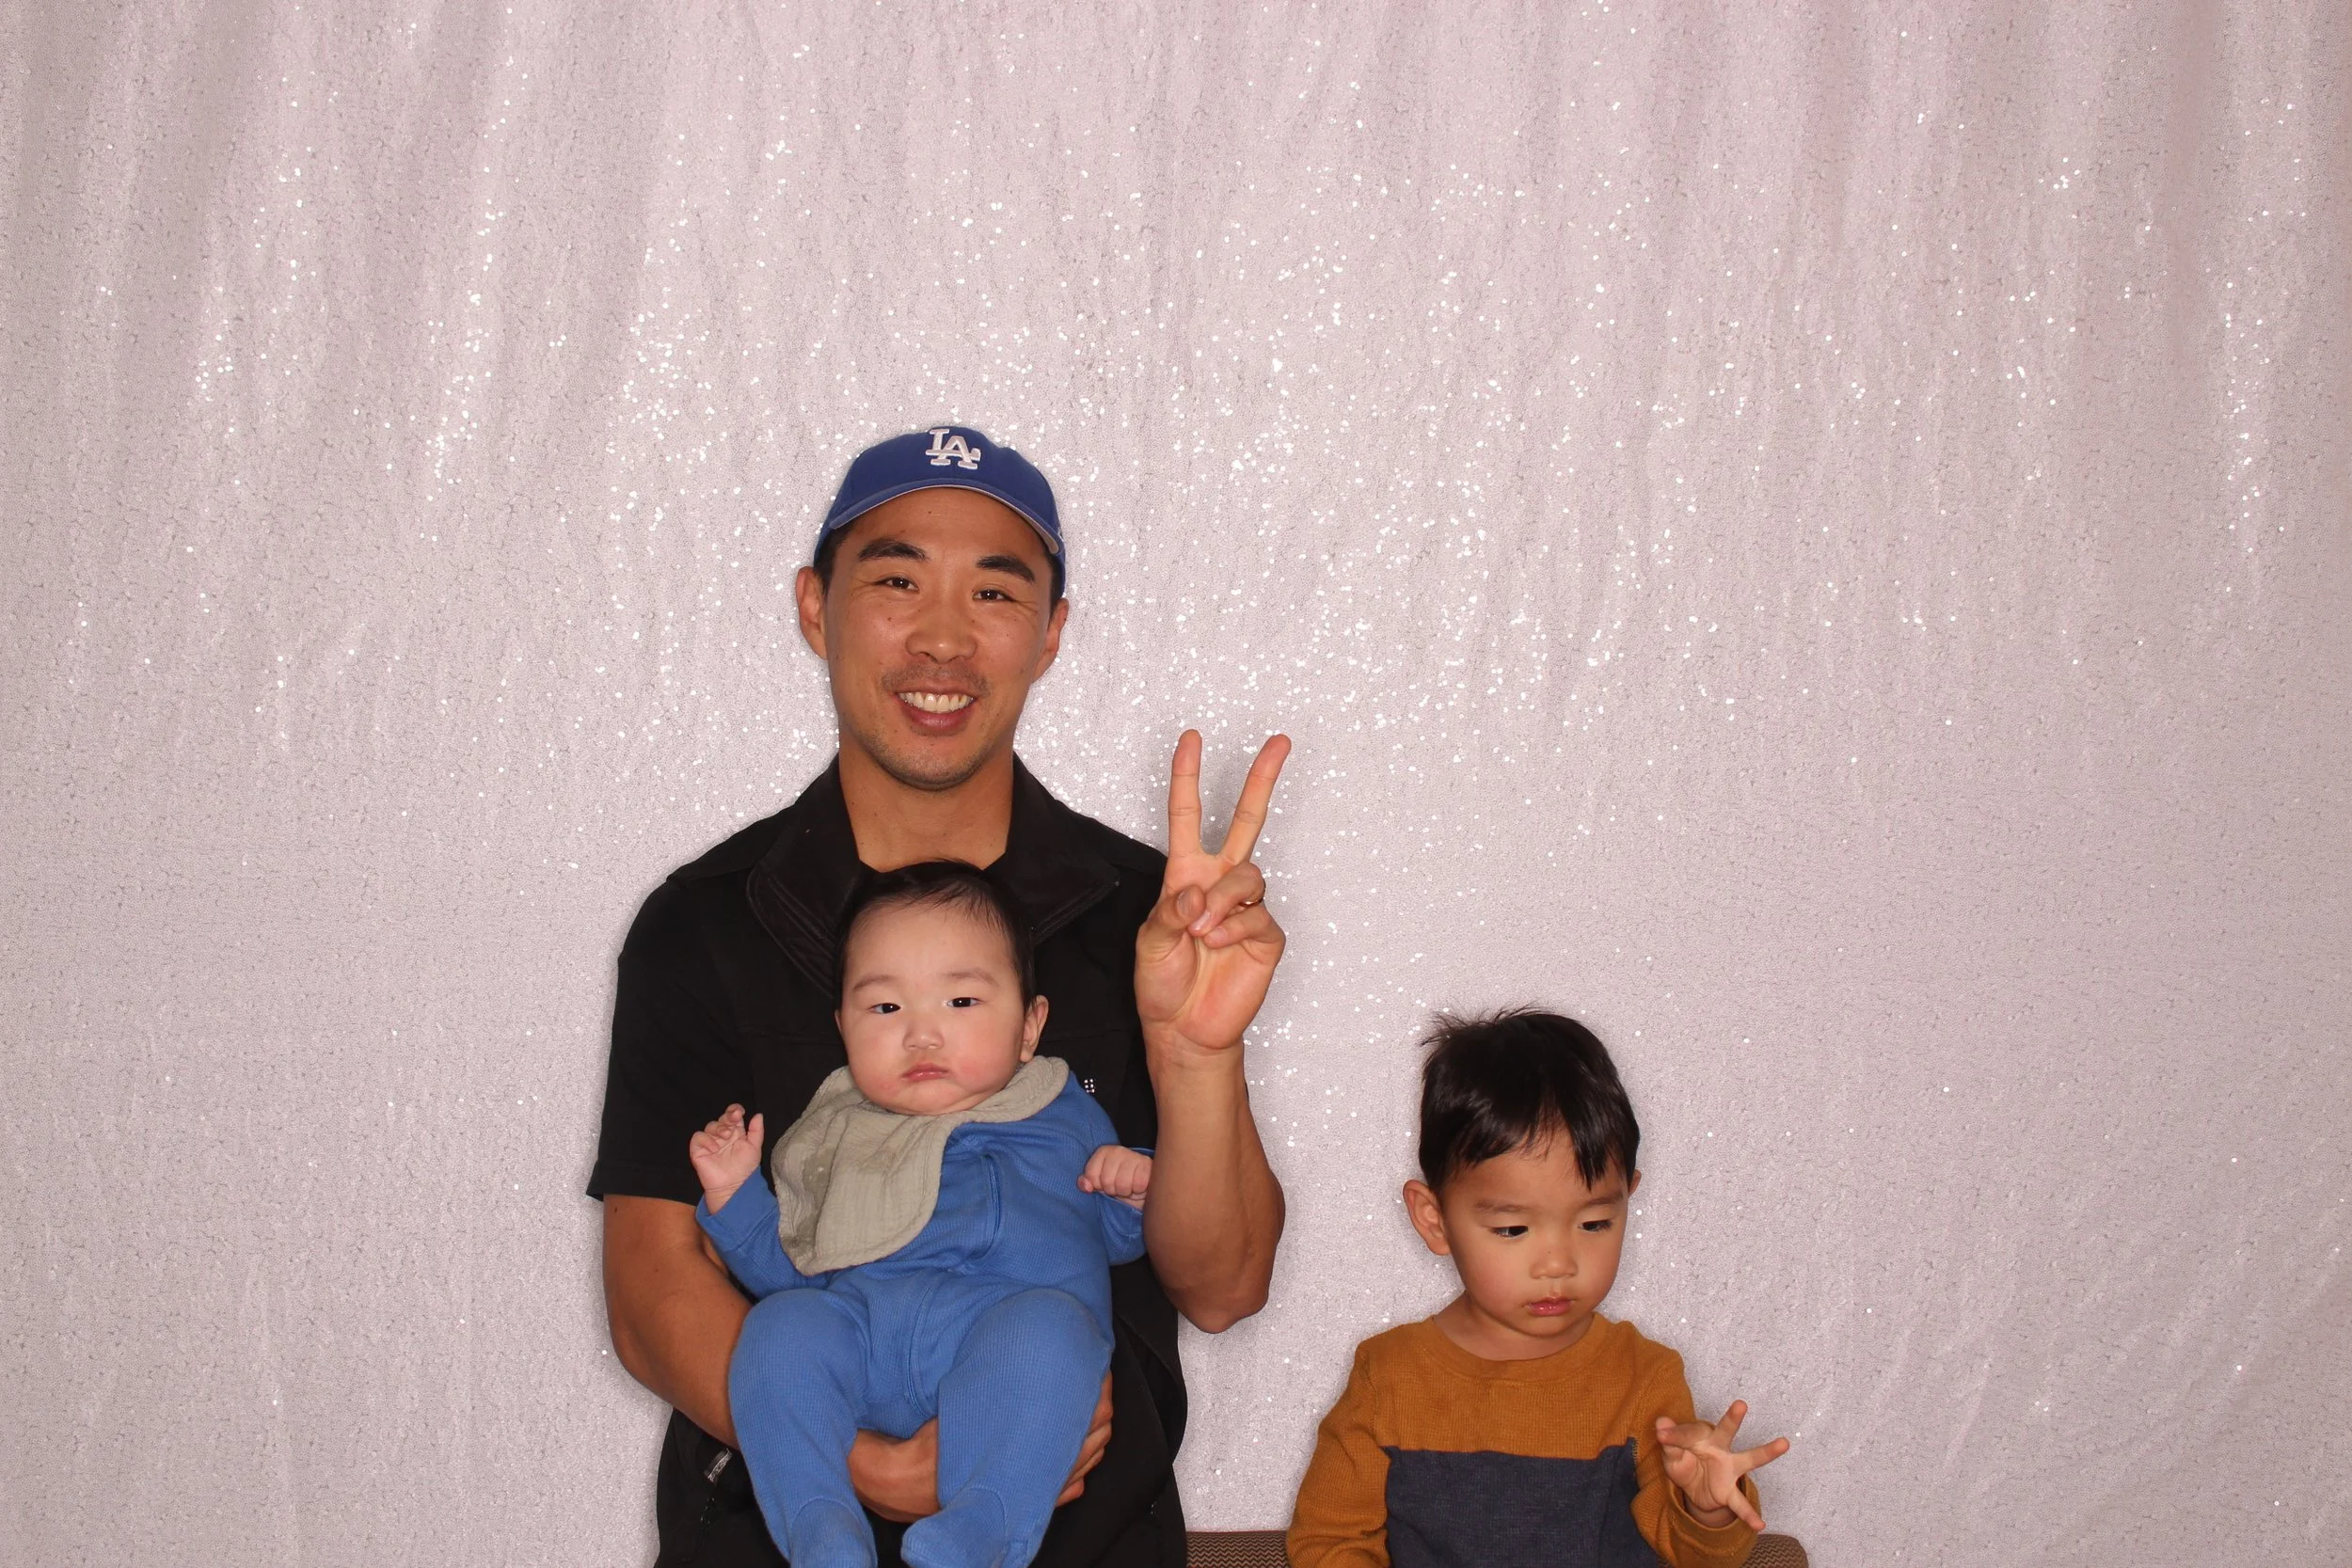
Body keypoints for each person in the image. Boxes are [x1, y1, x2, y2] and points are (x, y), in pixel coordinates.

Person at [591, 423, 1290, 1568]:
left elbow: (1222, 1285)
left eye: (995, 592)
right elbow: (647, 1285)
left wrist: (1197, 1051)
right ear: (814, 607)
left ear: (1050, 632)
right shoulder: (703, 923)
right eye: (897, 581)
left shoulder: (1147, 917)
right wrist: (863, 1462)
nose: (945, 637)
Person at [690, 861, 1155, 1568]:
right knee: (779, 1329)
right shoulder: (839, 1135)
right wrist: (735, 1195)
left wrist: (1136, 1185)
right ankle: (820, 1525)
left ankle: (983, 1527)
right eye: (885, 1009)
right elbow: (793, 1267)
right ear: (843, 1026)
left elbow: (1118, 1236)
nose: (922, 1035)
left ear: (1029, 1026)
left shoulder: (1060, 1115)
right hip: (864, 1342)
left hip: (1000, 1343)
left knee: (1057, 1334)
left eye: (961, 1001)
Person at [1286, 1010, 1789, 1568]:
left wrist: (1707, 1508)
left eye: (1594, 1223)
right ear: (1434, 1220)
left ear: (1628, 1199)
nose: (1558, 1263)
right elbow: (1328, 1542)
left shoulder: (1644, 1378)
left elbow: (1694, 1554)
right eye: (1512, 1229)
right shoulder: (1388, 1378)